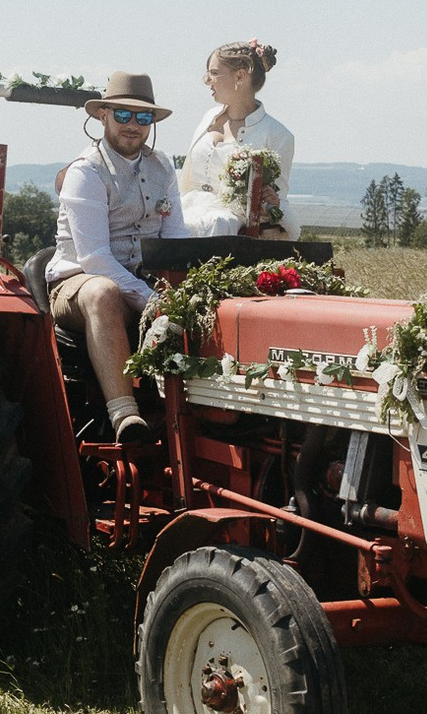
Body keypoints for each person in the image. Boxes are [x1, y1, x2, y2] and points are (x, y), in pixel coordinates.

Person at [47, 71, 190, 442]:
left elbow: (176, 239)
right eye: (123, 115)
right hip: (77, 284)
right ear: (103, 115)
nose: (133, 126)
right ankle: (126, 416)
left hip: (140, 282)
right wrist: (153, 300)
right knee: (103, 292)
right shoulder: (87, 171)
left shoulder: (162, 167)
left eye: (143, 118)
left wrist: (188, 292)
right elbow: (94, 258)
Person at [178, 39, 295, 239]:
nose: (207, 81)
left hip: (229, 225)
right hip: (188, 206)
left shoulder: (278, 135)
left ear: (240, 76)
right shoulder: (208, 118)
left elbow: (277, 201)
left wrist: (270, 204)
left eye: (214, 73)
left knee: (216, 222)